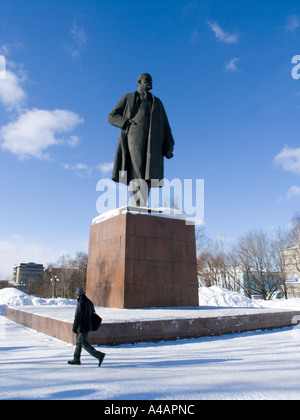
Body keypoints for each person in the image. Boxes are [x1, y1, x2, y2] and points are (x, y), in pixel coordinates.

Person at [108, 73, 175, 207]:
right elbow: (112, 116)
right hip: (133, 138)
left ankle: (141, 205)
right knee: (136, 169)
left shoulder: (157, 102)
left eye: (151, 80)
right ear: (139, 82)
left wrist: (169, 146)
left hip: (153, 143)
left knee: (149, 173)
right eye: (147, 80)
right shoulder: (128, 98)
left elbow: (166, 126)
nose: (150, 83)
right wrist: (126, 123)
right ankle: (137, 204)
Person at [68, 287, 105, 367]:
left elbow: (77, 317)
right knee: (78, 342)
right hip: (87, 326)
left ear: (78, 295)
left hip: (82, 327)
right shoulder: (89, 302)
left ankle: (99, 355)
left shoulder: (81, 302)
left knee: (84, 343)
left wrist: (74, 328)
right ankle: (76, 359)